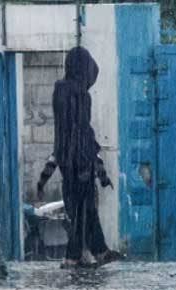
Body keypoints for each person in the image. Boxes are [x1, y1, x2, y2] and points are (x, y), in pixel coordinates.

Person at [50, 46, 122, 268]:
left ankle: (99, 251)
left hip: (64, 157)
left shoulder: (59, 90)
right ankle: (73, 257)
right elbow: (82, 128)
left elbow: (68, 127)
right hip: (79, 159)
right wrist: (93, 161)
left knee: (84, 207)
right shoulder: (81, 94)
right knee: (83, 209)